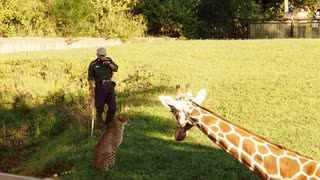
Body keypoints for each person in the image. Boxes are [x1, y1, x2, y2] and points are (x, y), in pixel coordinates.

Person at [88, 47, 118, 129]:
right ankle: (100, 125)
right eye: (100, 55)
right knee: (99, 107)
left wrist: (108, 63)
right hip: (100, 86)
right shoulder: (93, 64)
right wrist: (92, 89)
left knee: (113, 107)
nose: (101, 57)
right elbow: (90, 77)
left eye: (103, 55)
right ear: (97, 55)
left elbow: (115, 69)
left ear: (105, 54)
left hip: (109, 86)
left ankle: (108, 123)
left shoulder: (109, 60)